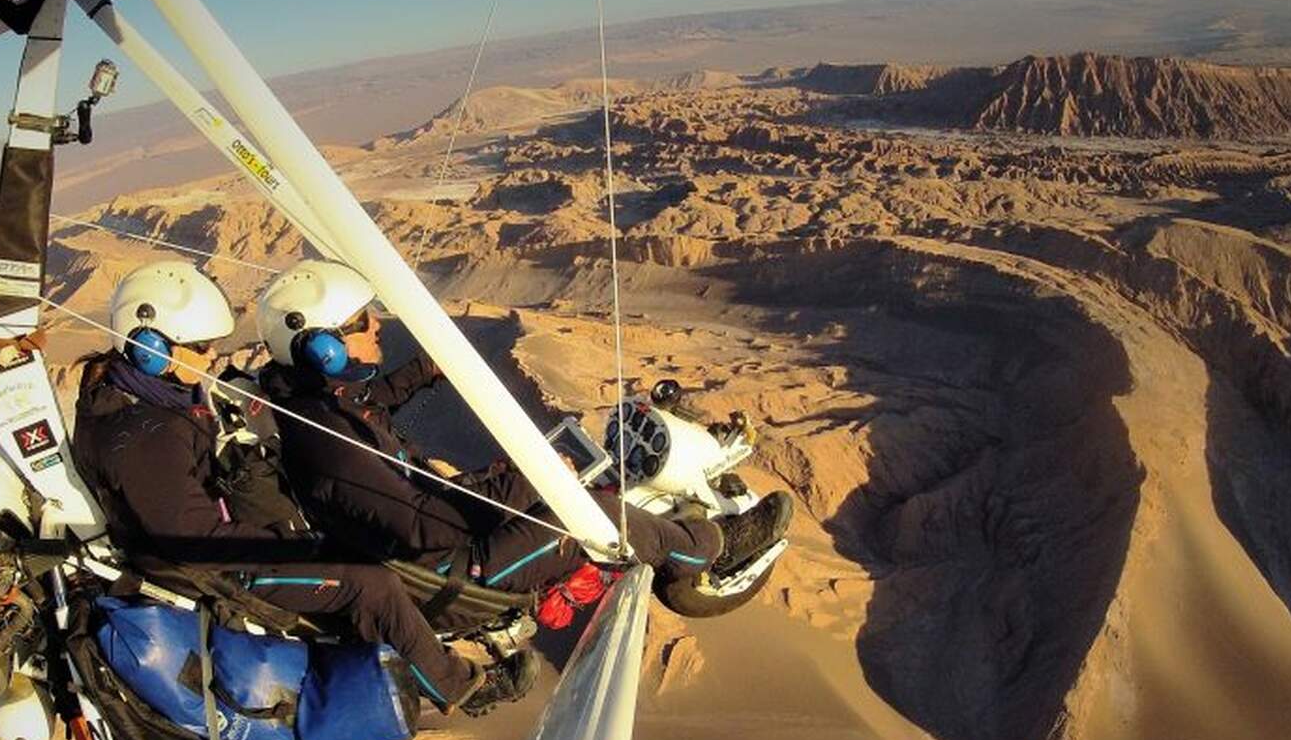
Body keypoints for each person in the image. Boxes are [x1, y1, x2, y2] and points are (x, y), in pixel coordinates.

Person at [70, 259, 509, 714]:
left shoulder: (143, 395)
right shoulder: (148, 433)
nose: (212, 358)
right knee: (370, 585)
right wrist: (289, 543)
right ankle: (457, 688)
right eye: (200, 348)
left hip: (215, 545)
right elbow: (192, 538)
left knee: (353, 559)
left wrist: (419, 372)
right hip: (208, 568)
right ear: (148, 348)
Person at [252, 259, 794, 601]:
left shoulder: (310, 400)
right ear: (321, 345)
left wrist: (430, 366)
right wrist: (523, 482)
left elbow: (372, 404)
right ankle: (709, 553)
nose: (375, 325)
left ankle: (669, 534)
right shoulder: (328, 443)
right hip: (457, 569)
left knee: (569, 483)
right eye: (360, 322)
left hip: (436, 523)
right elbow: (428, 528)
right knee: (587, 513)